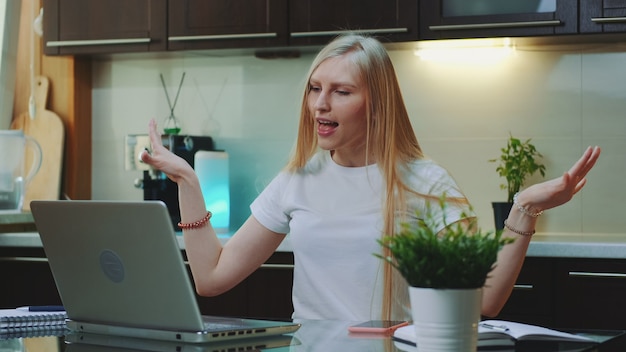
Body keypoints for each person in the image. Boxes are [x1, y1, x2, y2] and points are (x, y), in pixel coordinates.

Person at [141, 34, 601, 322]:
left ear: (376, 105)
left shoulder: (426, 182)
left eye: (341, 92)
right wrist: (187, 181)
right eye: (315, 89)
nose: (321, 104)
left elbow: (483, 301)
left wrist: (524, 208)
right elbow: (212, 278)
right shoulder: (296, 180)